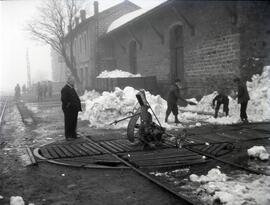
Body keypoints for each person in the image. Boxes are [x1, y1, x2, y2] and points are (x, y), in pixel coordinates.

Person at [61, 76, 82, 140]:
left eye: (74, 80)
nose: (74, 82)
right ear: (69, 81)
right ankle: (68, 136)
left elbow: (75, 97)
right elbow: (64, 99)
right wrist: (69, 105)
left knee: (73, 122)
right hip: (69, 109)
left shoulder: (71, 88)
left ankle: (73, 135)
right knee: (68, 122)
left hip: (74, 109)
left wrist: (77, 106)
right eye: (72, 81)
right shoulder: (65, 88)